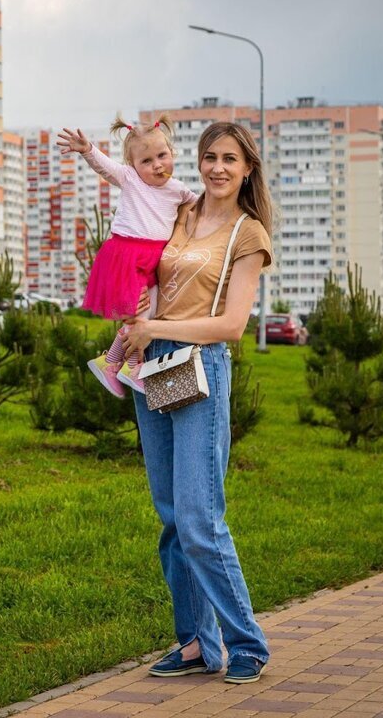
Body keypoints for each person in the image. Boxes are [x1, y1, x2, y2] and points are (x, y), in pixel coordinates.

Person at [120, 121, 274, 685]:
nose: (217, 168)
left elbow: (233, 326)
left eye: (230, 159)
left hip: (200, 367)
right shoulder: (181, 213)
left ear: (247, 169)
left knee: (199, 519)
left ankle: (246, 643)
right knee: (170, 518)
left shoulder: (248, 234)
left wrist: (154, 324)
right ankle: (194, 644)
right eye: (210, 156)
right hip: (153, 361)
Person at [56, 117, 199, 397]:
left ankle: (110, 362)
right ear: (134, 166)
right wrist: (88, 150)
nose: (157, 164)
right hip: (127, 256)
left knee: (152, 314)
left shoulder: (178, 189)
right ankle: (131, 368)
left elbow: (204, 206)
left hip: (154, 260)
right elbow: (106, 167)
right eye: (146, 161)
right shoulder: (131, 180)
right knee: (139, 317)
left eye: (162, 156)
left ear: (172, 154)